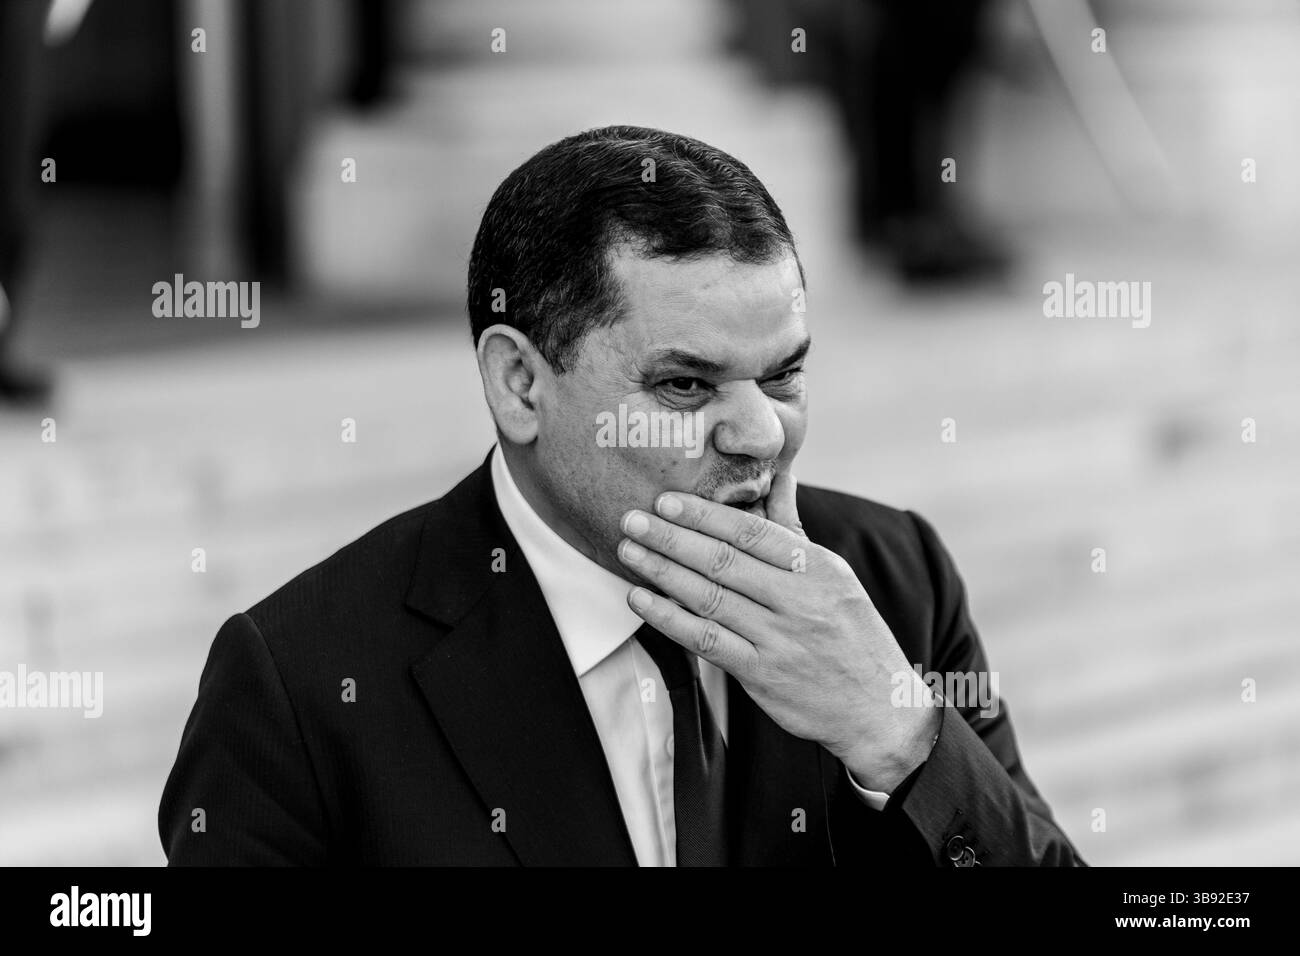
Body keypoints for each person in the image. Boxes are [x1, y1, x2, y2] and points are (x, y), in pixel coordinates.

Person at [158, 125, 1084, 866]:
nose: (762, 433)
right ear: (521, 384)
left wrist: (900, 737)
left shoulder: (894, 581)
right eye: (685, 386)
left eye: (785, 376)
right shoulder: (300, 687)